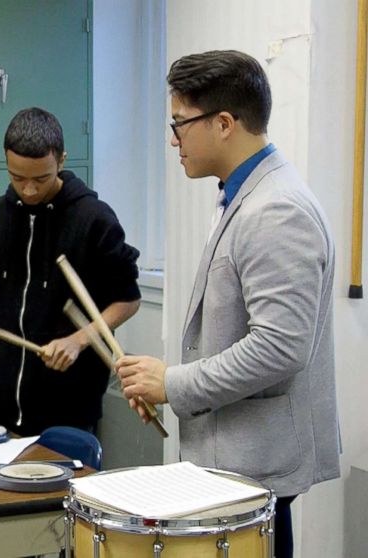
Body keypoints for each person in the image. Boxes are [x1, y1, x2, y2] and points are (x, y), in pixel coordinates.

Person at [116, 50, 340, 558]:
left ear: (223, 124)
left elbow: (280, 347)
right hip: (235, 465)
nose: (173, 139)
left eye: (180, 123)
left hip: (256, 467)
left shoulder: (276, 209)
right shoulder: (243, 193)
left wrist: (172, 382)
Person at [0, 107, 141, 437]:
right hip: (0, 405)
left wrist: (79, 340)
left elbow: (128, 299)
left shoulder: (93, 219)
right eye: (17, 177)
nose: (28, 189)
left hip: (69, 405)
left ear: (62, 160)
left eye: (40, 178)